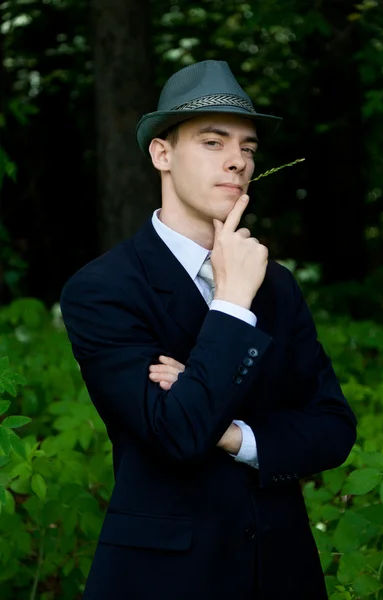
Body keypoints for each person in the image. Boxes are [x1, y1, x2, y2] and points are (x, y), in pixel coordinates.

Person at [60, 60, 357, 600]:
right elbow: (175, 435)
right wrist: (232, 304)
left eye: (247, 148)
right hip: (166, 580)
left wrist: (233, 435)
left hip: (282, 573)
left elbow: (333, 427)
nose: (238, 161)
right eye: (214, 142)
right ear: (162, 153)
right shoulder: (102, 288)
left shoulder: (277, 284)